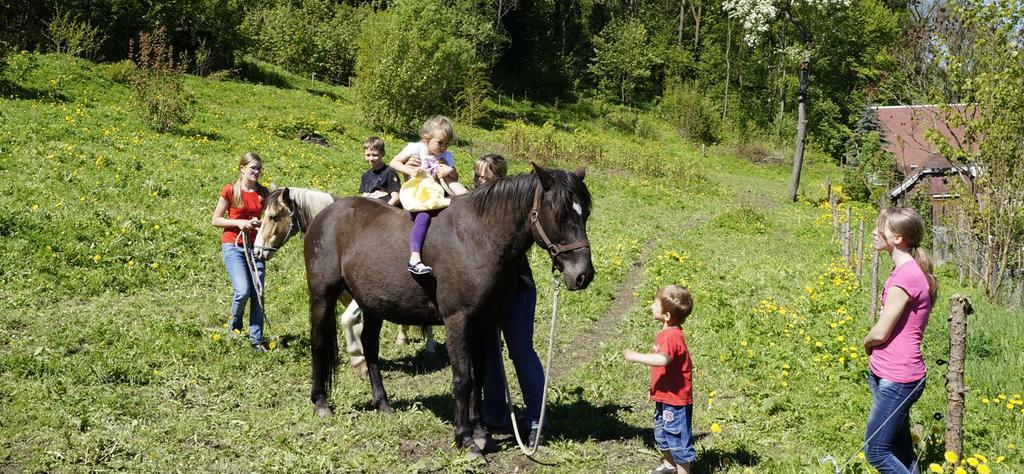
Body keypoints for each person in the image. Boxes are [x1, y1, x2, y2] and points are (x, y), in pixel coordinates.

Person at [476, 155, 545, 447]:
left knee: (521, 351)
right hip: (486, 292)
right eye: (477, 177)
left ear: (501, 179)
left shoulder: (512, 207)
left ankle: (536, 420)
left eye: (487, 177)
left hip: (518, 289)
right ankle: (494, 413)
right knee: (489, 352)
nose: (481, 182)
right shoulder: (472, 204)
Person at [862, 207, 938, 473]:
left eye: (880, 227)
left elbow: (881, 332)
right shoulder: (908, 271)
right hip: (889, 373)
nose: (874, 232)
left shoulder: (906, 276)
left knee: (876, 451)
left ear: (897, 238)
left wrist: (866, 342)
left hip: (898, 378)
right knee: (900, 449)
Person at [623, 285, 696, 474]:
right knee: (663, 436)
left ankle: (682, 470)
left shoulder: (671, 336)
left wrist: (635, 356)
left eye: (655, 304)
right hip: (665, 398)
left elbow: (662, 360)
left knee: (678, 441)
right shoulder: (667, 332)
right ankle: (670, 466)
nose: (651, 306)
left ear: (667, 316)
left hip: (675, 402)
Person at [389, 115, 468, 275]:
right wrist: (411, 170)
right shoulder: (415, 148)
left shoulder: (446, 156)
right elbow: (394, 162)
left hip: (437, 195)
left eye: (447, 143)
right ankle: (414, 258)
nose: (444, 147)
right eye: (440, 142)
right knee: (423, 216)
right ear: (426, 138)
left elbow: (455, 177)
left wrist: (449, 170)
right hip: (417, 194)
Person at [211, 152, 270, 351]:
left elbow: (270, 221)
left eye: (259, 168)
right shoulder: (230, 190)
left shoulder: (263, 193)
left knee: (258, 293)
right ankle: (234, 328)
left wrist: (258, 223)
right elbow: (216, 219)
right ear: (242, 168)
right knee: (243, 291)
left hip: (256, 247)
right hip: (233, 245)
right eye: (252, 168)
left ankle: (256, 339)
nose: (256, 172)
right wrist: (239, 222)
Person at [358, 136, 400, 206]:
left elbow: (396, 198)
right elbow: (364, 198)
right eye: (368, 155)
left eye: (375, 155)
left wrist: (382, 210)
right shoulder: (365, 175)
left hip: (388, 211)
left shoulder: (389, 172)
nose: (371, 158)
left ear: (383, 154)